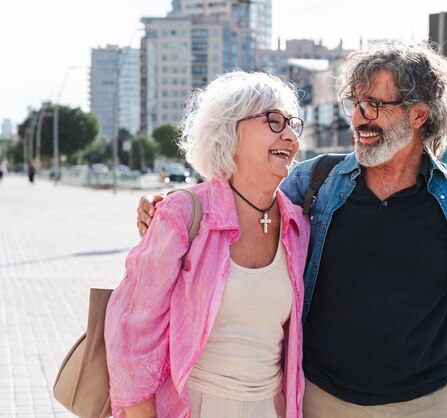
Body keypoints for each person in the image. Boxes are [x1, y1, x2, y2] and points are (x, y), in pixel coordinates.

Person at [138, 42, 447, 417]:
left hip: (427, 403)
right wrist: (175, 206)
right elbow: (244, 200)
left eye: (375, 104)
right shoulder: (317, 180)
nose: (360, 118)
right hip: (322, 400)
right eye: (354, 103)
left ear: (418, 115)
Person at [105, 71, 310, 418]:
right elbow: (132, 336)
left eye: (292, 124)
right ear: (229, 132)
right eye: (274, 121)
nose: (290, 136)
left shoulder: (298, 224)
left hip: (272, 407)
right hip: (194, 405)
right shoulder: (184, 214)